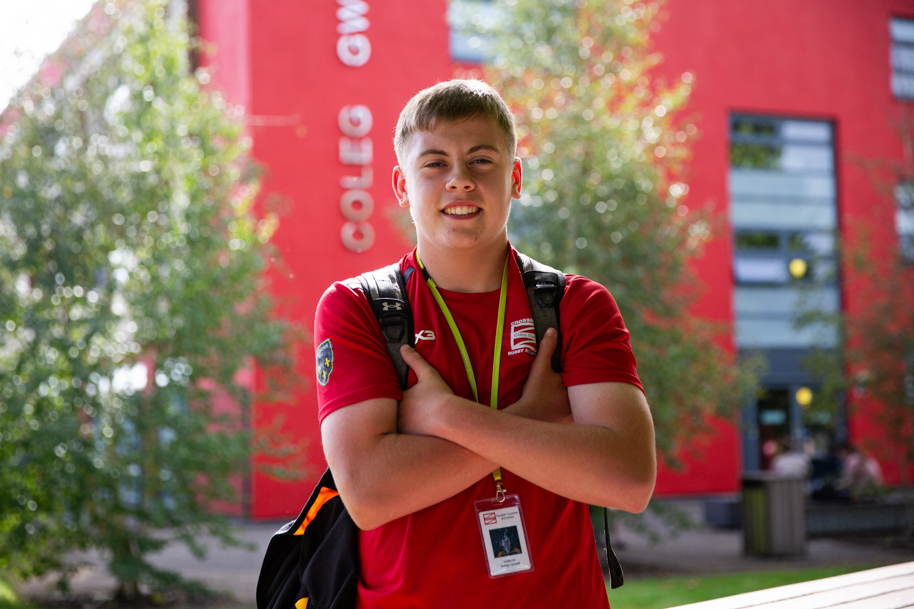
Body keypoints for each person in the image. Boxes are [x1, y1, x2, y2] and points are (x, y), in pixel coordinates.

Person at [315, 79, 656, 608]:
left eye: (481, 160)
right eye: (434, 163)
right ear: (402, 185)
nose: (460, 180)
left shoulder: (576, 305)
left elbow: (628, 479)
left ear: (514, 177)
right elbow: (369, 493)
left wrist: (449, 416)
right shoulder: (356, 308)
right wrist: (533, 419)